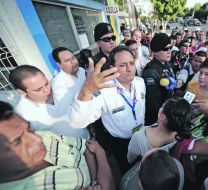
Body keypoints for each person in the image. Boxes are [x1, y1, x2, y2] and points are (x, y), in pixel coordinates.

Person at [0, 101, 114, 190]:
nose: (38, 139)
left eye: (29, 129)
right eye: (17, 141)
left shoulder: (43, 136)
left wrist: (99, 154)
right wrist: (98, 163)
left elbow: (88, 148)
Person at [69, 46, 146, 174]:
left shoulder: (140, 83)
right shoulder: (104, 91)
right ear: (112, 68)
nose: (129, 69)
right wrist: (86, 91)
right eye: (122, 65)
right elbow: (77, 122)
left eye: (131, 63)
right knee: (128, 172)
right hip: (121, 144)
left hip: (142, 136)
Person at [9, 58, 120, 138]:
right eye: (38, 89)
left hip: (89, 138)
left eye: (46, 83)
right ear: (22, 92)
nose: (47, 90)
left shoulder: (59, 89)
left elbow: (82, 111)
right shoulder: (23, 117)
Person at [127, 97, 192, 163]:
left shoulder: (138, 138)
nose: (160, 108)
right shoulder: (180, 134)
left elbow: (130, 159)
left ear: (163, 117)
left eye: (162, 106)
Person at [142, 33, 175, 125]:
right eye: (165, 49)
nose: (169, 51)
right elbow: (154, 104)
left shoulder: (168, 64)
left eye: (170, 48)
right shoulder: (150, 72)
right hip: (158, 119)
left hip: (168, 111)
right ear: (155, 51)